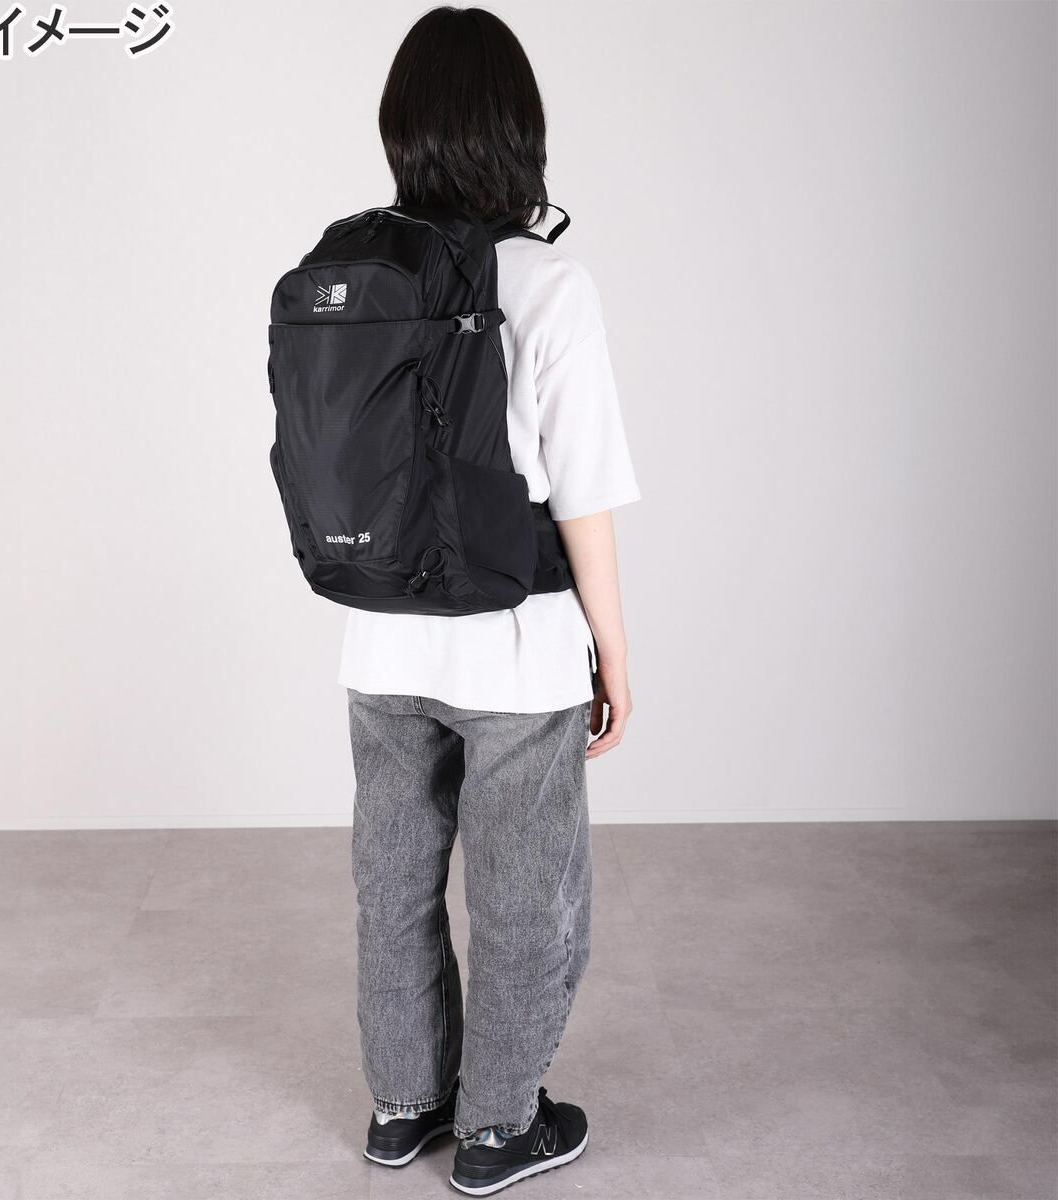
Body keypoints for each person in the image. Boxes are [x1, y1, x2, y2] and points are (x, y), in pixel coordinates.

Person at [338, 7, 639, 1194]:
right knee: (524, 898)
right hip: (515, 650)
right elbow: (585, 496)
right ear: (520, 133)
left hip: (378, 643)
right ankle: (501, 1126)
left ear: (402, 130)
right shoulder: (550, 283)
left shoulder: (361, 276)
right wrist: (614, 653)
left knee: (393, 887)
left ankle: (404, 1104)